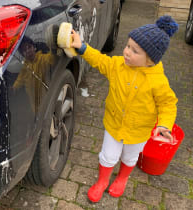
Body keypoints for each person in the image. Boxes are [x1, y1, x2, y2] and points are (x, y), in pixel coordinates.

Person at [70, 16, 179, 202]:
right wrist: (82, 47)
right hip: (114, 124)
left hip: (139, 131)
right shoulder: (118, 65)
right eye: (128, 46)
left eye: (134, 51)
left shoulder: (158, 81)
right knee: (108, 155)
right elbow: (100, 60)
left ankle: (122, 177)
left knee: (130, 157)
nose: (127, 52)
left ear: (150, 60)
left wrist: (164, 125)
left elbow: (168, 104)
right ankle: (102, 181)